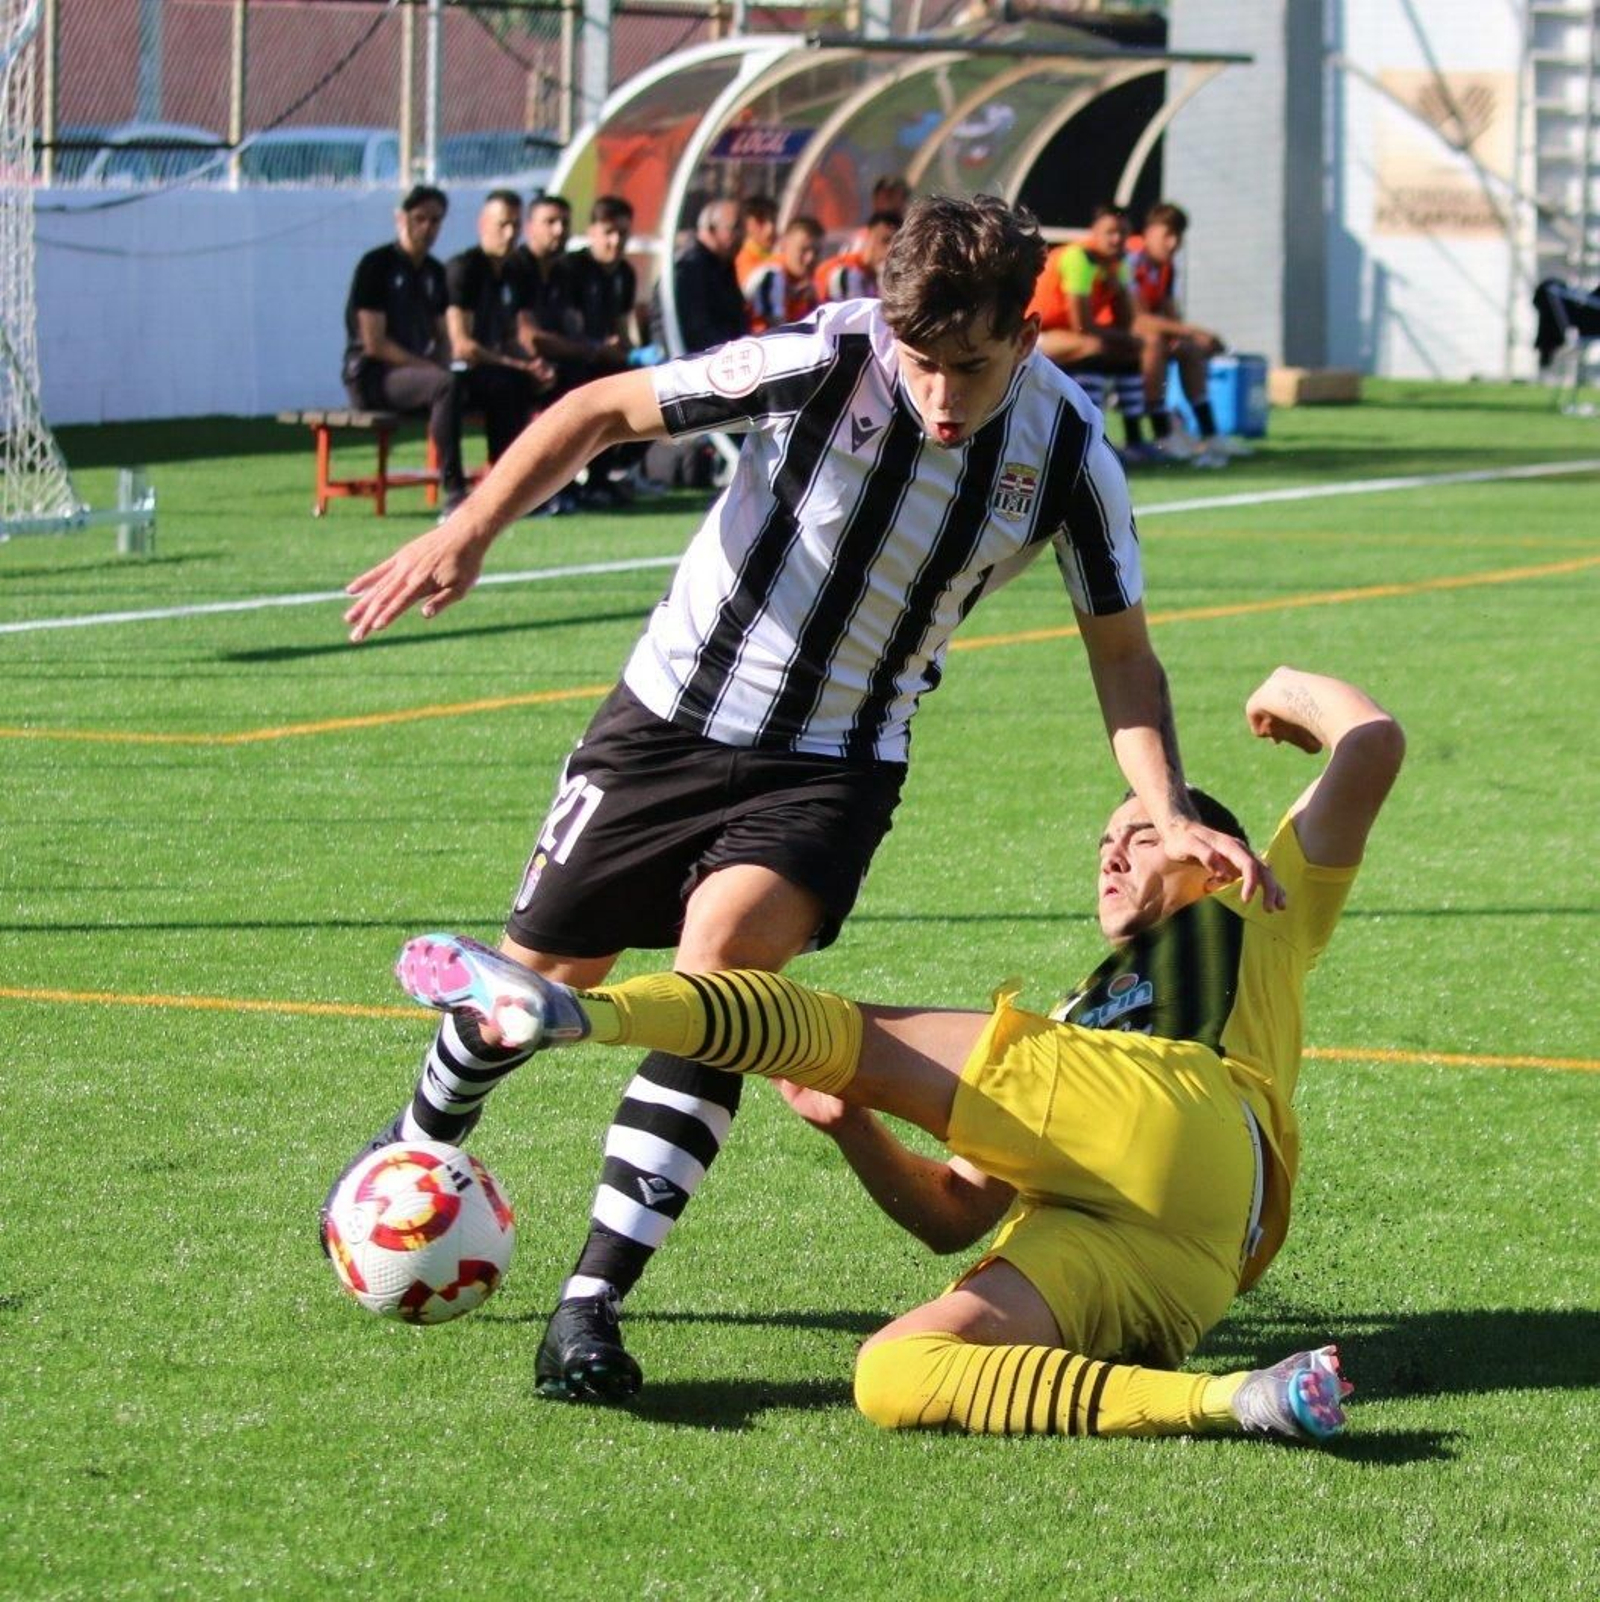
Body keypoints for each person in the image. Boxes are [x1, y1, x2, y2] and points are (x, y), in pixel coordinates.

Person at [338, 193, 1278, 1405]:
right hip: (665, 720)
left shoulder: (1068, 456)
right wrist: (468, 531)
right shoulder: (818, 361)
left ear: (1025, 336)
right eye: (921, 362)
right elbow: (597, 409)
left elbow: (1122, 657)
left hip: (834, 765)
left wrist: (1168, 806)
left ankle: (590, 1306)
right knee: (542, 976)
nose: (941, 396)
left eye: (971, 367)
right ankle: (418, 1140)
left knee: (720, 983)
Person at [392, 663, 1401, 1442]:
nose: (1112, 850)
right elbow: (953, 1215)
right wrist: (855, 1130)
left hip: (1193, 1114)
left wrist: (1282, 691)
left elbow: (1369, 742)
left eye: (1141, 833)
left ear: (1207, 853)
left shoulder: (1257, 900)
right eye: (1106, 838)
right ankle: (1237, 1399)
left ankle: (580, 1011)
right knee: (895, 1374)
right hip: (1184, 1261)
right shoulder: (1075, 1013)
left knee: (832, 1029)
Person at [442, 191, 555, 513]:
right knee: (496, 384)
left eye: (515, 226)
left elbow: (510, 336)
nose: (510, 234)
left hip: (495, 372)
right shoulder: (464, 268)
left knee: (546, 382)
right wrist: (516, 366)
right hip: (459, 374)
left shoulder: (514, 273)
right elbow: (461, 345)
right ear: (483, 224)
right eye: (502, 225)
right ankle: (459, 491)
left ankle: (532, 488)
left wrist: (533, 364)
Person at [340, 184, 456, 488]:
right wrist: (429, 367)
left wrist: (443, 362)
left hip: (417, 375)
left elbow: (444, 335)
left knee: (495, 384)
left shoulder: (435, 272)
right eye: (420, 218)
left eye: (435, 220)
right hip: (372, 375)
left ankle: (517, 484)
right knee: (445, 385)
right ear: (401, 219)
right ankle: (455, 486)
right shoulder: (376, 265)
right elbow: (374, 343)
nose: (428, 227)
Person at [1028, 204, 1151, 460]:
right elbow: (1082, 325)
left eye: (1123, 233)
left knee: (1129, 350)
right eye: (1110, 232)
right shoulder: (1079, 258)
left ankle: (1135, 439)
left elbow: (1126, 322)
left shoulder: (1117, 263)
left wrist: (1118, 289)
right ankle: (1091, 438)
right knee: (1094, 346)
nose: (1117, 239)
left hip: (1065, 335)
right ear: (1095, 232)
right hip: (1030, 334)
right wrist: (1128, 338)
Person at [1127, 202, 1240, 468]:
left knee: (1188, 348)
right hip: (1114, 333)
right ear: (1149, 231)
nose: (1173, 243)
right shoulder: (1131, 259)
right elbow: (1137, 319)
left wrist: (1190, 338)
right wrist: (1193, 330)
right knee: (1155, 342)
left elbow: (1170, 318)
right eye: (1167, 234)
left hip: (1136, 335)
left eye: (1178, 236)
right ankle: (1162, 434)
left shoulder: (1166, 268)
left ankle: (1210, 434)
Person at [661, 197, 748, 355]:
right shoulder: (688, 269)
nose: (741, 237)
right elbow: (696, 330)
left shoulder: (724, 265)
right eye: (735, 228)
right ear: (711, 230)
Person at [743, 215, 822, 334]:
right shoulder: (771, 275)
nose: (810, 258)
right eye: (803, 250)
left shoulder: (805, 286)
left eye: (816, 252)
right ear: (784, 244)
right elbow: (778, 333)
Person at [815, 209, 900, 302]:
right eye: (885, 240)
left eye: (895, 245)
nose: (889, 250)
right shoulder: (841, 271)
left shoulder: (877, 276)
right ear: (868, 236)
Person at [734, 195, 780, 291]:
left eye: (773, 221)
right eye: (761, 222)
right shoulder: (741, 259)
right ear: (746, 224)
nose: (770, 229)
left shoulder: (777, 254)